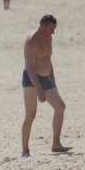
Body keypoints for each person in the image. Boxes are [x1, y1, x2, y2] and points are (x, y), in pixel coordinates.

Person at [21, 14, 71, 157]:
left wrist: (53, 82)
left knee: (60, 106)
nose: (53, 32)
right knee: (31, 115)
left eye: (54, 29)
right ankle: (25, 150)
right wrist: (39, 89)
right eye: (51, 29)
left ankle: (56, 144)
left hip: (45, 78)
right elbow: (29, 67)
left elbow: (48, 60)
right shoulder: (31, 41)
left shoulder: (49, 38)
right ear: (42, 26)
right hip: (31, 79)